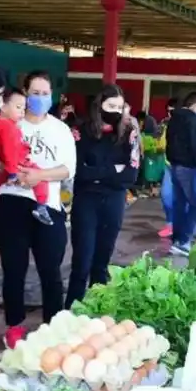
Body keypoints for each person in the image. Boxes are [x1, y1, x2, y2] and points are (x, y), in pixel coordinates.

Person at [0, 71, 76, 349]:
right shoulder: (9, 124)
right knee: (13, 269)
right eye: (35, 93)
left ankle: (52, 326)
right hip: (11, 201)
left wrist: (39, 176)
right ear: (24, 94)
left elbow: (68, 169)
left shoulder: (60, 130)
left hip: (48, 205)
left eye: (45, 93)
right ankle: (14, 326)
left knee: (50, 270)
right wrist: (12, 172)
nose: (40, 98)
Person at [65, 85, 139, 307]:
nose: (115, 111)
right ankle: (72, 310)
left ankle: (98, 308)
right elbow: (78, 171)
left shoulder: (129, 134)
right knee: (82, 260)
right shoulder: (80, 132)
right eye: (110, 106)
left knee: (102, 261)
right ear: (99, 106)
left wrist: (97, 172)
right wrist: (112, 170)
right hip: (86, 201)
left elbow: (131, 174)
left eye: (119, 107)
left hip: (114, 202)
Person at [0, 88, 53, 225]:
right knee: (40, 176)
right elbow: (11, 152)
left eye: (24, 108)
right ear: (3, 106)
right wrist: (12, 173)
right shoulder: (10, 128)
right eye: (18, 107)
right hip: (16, 165)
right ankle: (41, 207)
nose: (22, 112)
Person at [165, 91, 196, 256]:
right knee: (194, 205)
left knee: (180, 204)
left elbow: (168, 141)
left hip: (175, 165)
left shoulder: (173, 119)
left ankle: (177, 239)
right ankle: (184, 242)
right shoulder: (194, 121)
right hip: (190, 167)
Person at [157, 99, 177, 239]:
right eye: (168, 111)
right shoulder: (165, 123)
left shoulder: (188, 124)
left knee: (183, 199)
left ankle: (181, 227)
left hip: (183, 167)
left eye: (172, 111)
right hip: (168, 166)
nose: (169, 114)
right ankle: (170, 224)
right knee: (166, 195)